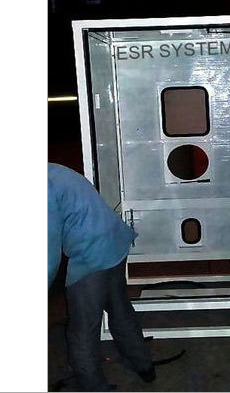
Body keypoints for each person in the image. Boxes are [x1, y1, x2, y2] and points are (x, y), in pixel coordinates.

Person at [48, 163, 155, 392]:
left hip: (92, 254)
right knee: (119, 307)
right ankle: (143, 365)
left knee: (83, 327)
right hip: (114, 241)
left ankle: (93, 385)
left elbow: (48, 253)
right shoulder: (53, 171)